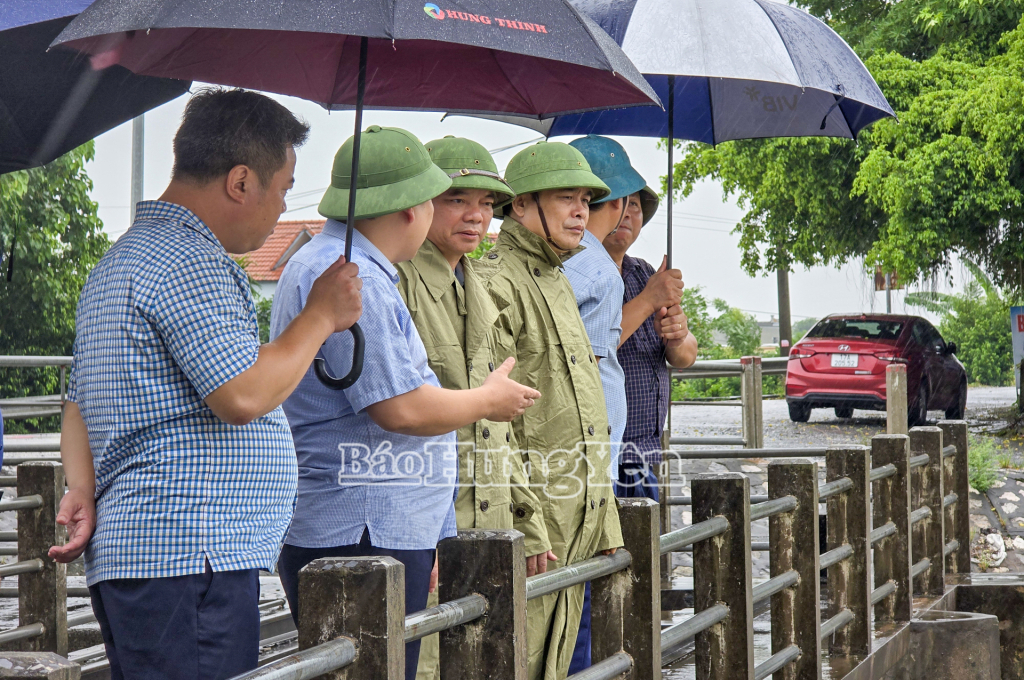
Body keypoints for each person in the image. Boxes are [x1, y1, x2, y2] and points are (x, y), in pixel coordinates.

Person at [47, 88, 363, 680]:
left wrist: (84, 488)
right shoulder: (191, 259)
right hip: (189, 559)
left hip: (155, 557)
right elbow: (242, 394)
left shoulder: (120, 260)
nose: (281, 206)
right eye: (284, 188)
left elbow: (76, 403)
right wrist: (319, 315)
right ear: (242, 181)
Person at [270, 126, 540, 680]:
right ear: (411, 207)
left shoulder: (338, 265)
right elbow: (399, 409)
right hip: (364, 526)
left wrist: (433, 529)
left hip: (372, 522)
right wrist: (488, 399)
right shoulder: (355, 276)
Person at [394, 136, 554, 680]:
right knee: (427, 661)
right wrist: (425, 534)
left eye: (487, 203)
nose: (476, 215)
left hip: (486, 522)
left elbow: (499, 428)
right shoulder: (399, 282)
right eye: (458, 198)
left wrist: (527, 522)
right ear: (419, 201)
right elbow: (401, 414)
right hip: (428, 519)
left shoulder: (478, 288)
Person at [475, 141, 623, 680]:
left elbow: (586, 412)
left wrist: (603, 515)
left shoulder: (560, 279)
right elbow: (490, 425)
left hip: (577, 518)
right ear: (519, 206)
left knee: (561, 660)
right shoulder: (494, 284)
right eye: (566, 198)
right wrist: (526, 525)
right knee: (522, 658)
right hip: (538, 523)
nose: (581, 211)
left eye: (585, 199)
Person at [561, 134, 658, 673]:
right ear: (619, 204)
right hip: (589, 453)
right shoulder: (592, 268)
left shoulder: (610, 266)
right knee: (588, 590)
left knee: (594, 587)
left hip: (601, 449)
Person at [604, 191, 699, 501]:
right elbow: (587, 346)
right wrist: (647, 301)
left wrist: (677, 334)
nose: (626, 213)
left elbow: (685, 356)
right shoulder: (577, 274)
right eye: (615, 201)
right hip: (602, 458)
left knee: (646, 546)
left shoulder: (644, 272)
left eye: (634, 204)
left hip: (644, 454)